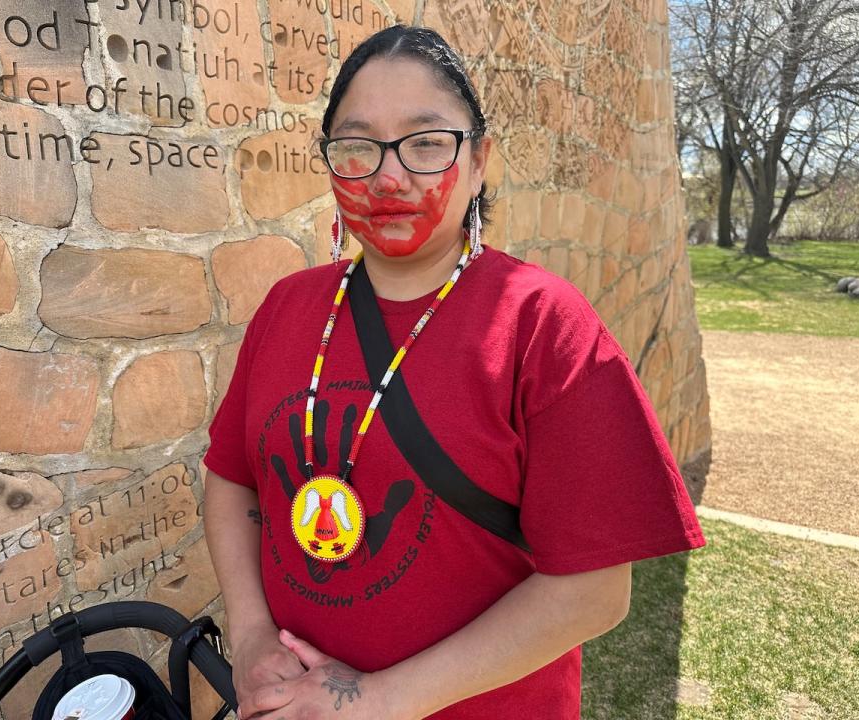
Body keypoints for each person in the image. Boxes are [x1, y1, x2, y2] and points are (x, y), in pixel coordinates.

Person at [202, 25, 704, 720]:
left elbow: (594, 591)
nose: (389, 175)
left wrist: (374, 702)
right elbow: (231, 478)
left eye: (427, 143)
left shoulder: (542, 324)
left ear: (478, 163)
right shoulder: (290, 308)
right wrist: (253, 634)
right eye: (357, 146)